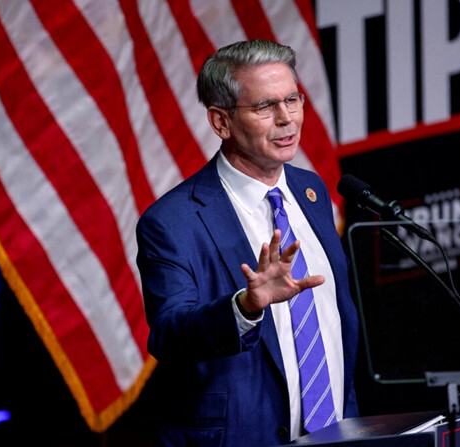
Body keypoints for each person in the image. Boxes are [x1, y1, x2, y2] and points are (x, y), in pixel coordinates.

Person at [136, 39, 359, 447]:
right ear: (221, 122)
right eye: (264, 107)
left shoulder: (312, 192)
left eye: (292, 99)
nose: (287, 119)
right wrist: (244, 307)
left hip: (337, 435)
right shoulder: (173, 222)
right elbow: (168, 335)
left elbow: (332, 328)